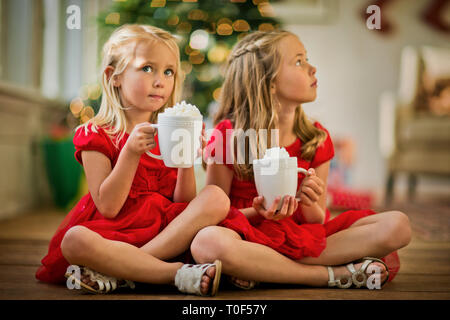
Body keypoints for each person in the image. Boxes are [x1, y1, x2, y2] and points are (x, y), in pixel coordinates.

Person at [191, 30, 412, 289]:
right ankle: (331, 275)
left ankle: (262, 268)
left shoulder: (316, 138)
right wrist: (259, 213)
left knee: (398, 225)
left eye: (306, 59)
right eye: (299, 61)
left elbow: (317, 220)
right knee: (207, 242)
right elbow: (213, 213)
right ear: (269, 82)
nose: (312, 68)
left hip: (302, 238)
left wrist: (308, 201)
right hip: (247, 234)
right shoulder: (228, 136)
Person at [35, 24, 230, 296]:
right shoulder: (96, 134)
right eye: (147, 68)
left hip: (162, 235)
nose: (160, 80)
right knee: (74, 240)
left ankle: (120, 270)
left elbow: (182, 205)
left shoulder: (169, 130)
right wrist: (130, 152)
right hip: (113, 231)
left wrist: (186, 160)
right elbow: (108, 207)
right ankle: (175, 274)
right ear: (114, 76)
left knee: (216, 197)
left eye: (169, 71)